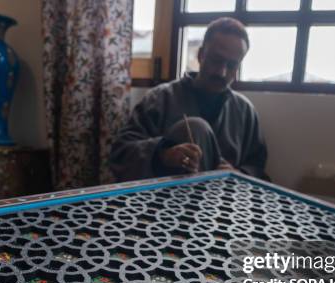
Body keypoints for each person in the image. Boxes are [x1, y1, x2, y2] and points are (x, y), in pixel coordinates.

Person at [110, 17, 268, 181]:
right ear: (200, 55)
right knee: (195, 127)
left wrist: (236, 174)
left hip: (225, 202)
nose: (222, 72)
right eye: (216, 60)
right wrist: (163, 154)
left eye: (232, 65)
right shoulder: (160, 99)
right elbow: (121, 153)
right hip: (163, 200)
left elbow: (257, 167)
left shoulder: (245, 112)